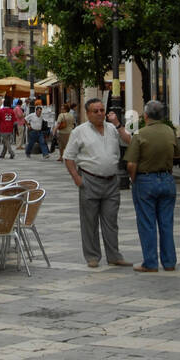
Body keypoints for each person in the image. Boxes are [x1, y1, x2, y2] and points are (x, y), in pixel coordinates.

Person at [63, 98, 133, 269]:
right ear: (88, 114)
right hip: (89, 180)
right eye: (96, 111)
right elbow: (68, 157)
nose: (100, 113)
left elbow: (129, 141)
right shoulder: (79, 131)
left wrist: (118, 124)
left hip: (111, 181)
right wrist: (76, 178)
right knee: (90, 221)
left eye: (102, 110)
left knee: (111, 221)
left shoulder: (112, 129)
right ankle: (92, 256)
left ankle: (114, 255)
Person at [125, 100, 180, 272]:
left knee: (147, 222)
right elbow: (177, 155)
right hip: (167, 179)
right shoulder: (170, 132)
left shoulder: (140, 134)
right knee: (166, 223)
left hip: (146, 180)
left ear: (146, 115)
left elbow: (131, 164)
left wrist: (134, 180)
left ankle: (150, 262)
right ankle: (169, 262)